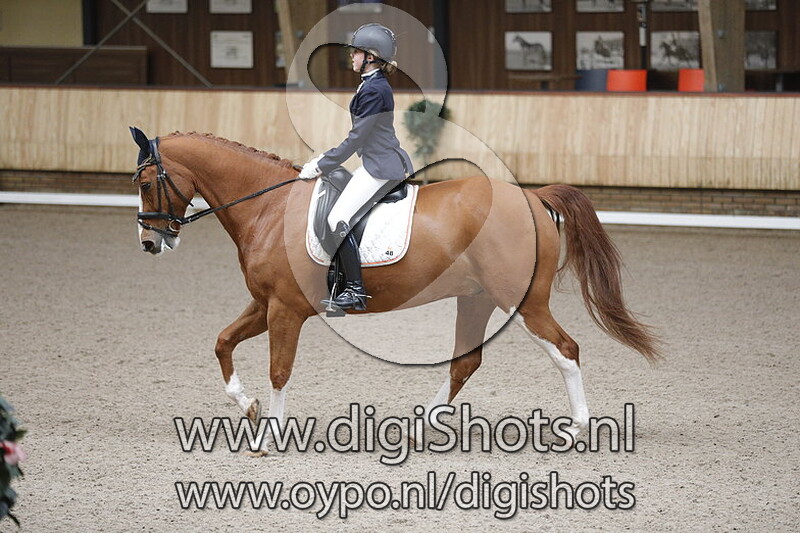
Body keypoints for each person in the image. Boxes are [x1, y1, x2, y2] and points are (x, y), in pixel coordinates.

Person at [297, 23, 413, 311]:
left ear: (370, 57)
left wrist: (322, 163)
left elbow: (356, 138)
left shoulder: (374, 89)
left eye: (356, 52)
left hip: (380, 167)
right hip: (376, 161)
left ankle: (355, 290)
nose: (351, 56)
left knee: (337, 218)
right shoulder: (371, 83)